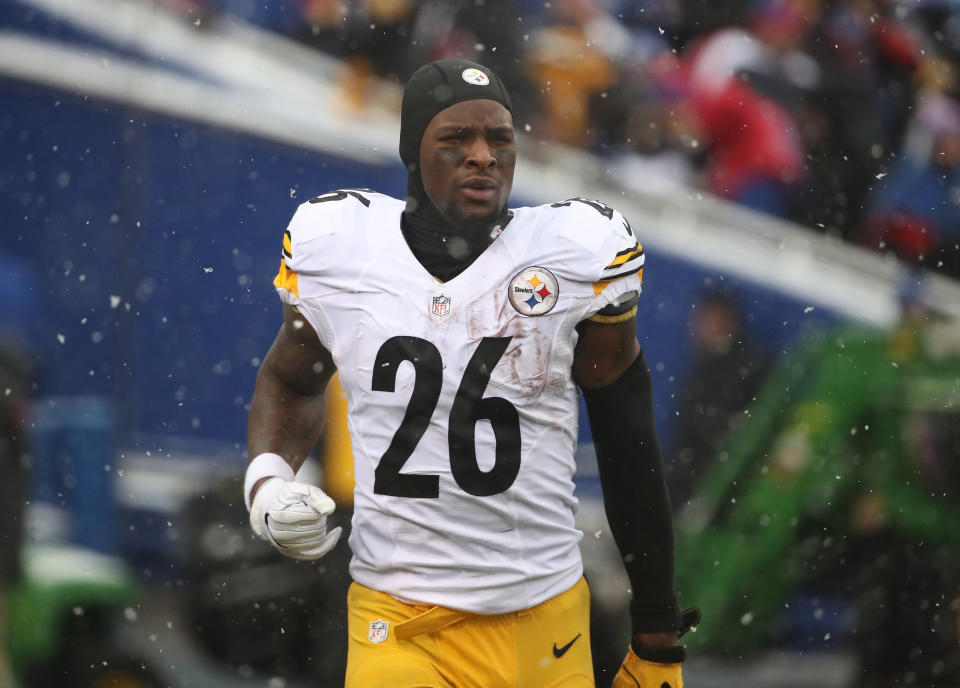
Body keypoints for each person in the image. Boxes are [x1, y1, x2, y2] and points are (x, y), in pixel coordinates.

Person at [244, 58, 698, 688]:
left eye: (499, 139)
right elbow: (291, 379)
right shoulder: (341, 248)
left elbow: (627, 439)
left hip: (544, 617)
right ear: (413, 151)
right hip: (396, 614)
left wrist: (657, 631)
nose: (482, 156)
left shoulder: (573, 255)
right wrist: (267, 481)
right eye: (455, 139)